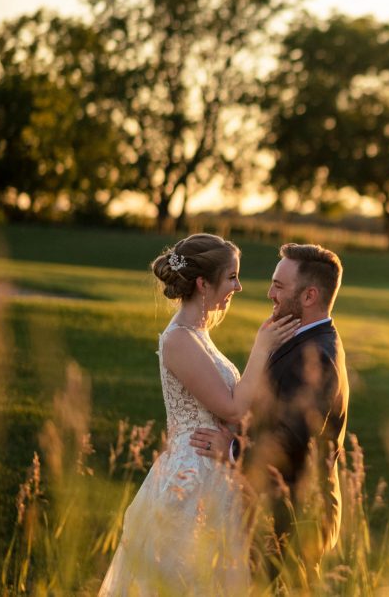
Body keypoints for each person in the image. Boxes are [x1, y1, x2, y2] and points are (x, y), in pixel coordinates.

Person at [100, 234, 300, 596]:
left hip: (215, 470)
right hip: (190, 479)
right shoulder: (178, 339)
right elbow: (232, 406)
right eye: (232, 277)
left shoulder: (200, 335)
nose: (238, 286)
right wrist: (262, 346)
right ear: (203, 283)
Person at [192, 242, 349, 567]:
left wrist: (233, 449)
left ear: (309, 296)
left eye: (278, 286)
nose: (270, 294)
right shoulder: (299, 339)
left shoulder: (317, 354)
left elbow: (292, 441)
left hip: (292, 521)